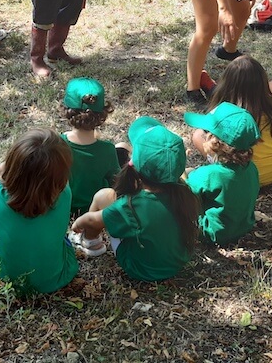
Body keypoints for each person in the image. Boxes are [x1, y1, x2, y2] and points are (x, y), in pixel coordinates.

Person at [70, 117, 198, 281]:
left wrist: (76, 226)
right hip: (177, 263)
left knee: (103, 196)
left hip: (139, 268)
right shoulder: (186, 193)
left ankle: (91, 242)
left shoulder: (130, 206)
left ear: (133, 165)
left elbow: (92, 220)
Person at [0, 128, 77, 295]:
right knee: (60, 237)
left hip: (2, 280)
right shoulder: (65, 194)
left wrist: (8, 167)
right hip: (55, 278)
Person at [207, 56, 272, 185]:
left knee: (198, 135)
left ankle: (216, 161)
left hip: (247, 178)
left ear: (227, 85)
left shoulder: (226, 115)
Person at [184, 102, 261, 247]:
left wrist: (180, 166)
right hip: (244, 226)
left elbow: (184, 194)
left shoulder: (209, 175)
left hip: (211, 233)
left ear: (214, 142)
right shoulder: (252, 168)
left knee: (185, 176)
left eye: (207, 133)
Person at [59, 77, 119, 214]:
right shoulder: (107, 150)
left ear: (66, 110)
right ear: (103, 113)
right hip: (94, 210)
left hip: (63, 209)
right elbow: (115, 182)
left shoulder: (57, 144)